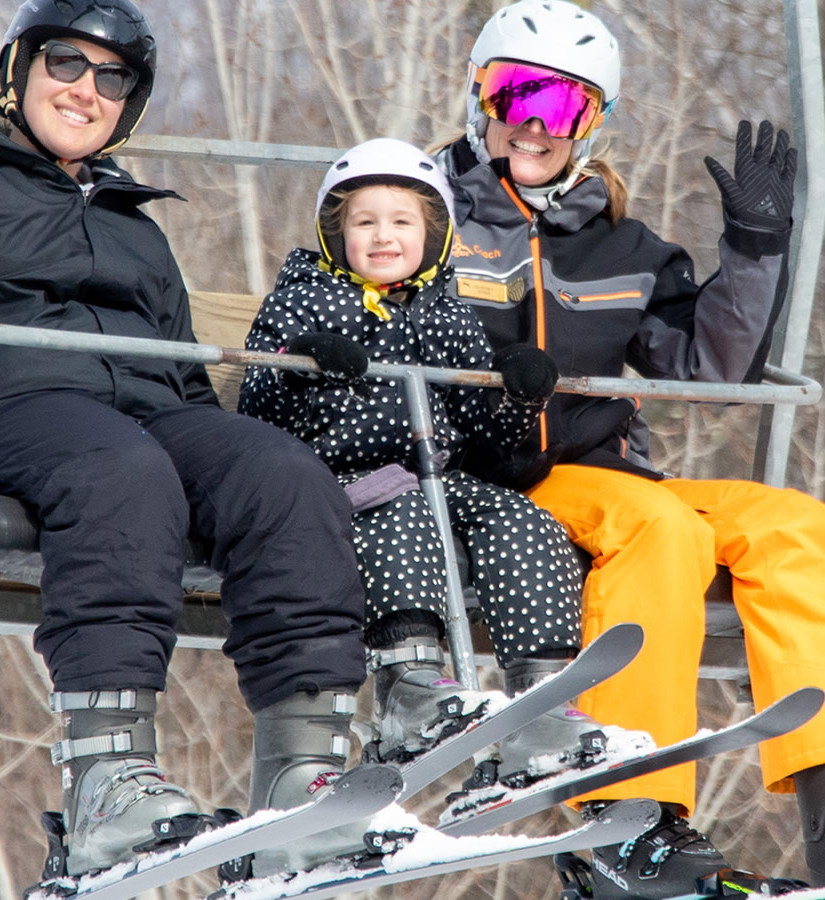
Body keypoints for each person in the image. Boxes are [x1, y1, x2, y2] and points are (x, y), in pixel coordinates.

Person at [433, 1, 825, 892]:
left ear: (593, 123)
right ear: (477, 97)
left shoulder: (626, 249)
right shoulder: (423, 215)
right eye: (512, 92)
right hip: (486, 480)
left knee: (802, 525)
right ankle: (629, 820)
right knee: (659, 530)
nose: (530, 123)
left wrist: (753, 246)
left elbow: (709, 360)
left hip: (600, 475)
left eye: (560, 107)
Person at [0, 0, 368, 879]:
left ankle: (304, 766)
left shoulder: (134, 222)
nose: (85, 90)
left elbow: (174, 374)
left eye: (112, 77)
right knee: (122, 468)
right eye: (64, 63)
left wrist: (228, 456)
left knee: (282, 475)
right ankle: (106, 775)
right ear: (18, 71)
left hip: (127, 420)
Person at [238, 138, 645, 797]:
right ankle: (408, 687)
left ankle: (537, 700)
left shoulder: (446, 310)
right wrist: (303, 366)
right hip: (337, 480)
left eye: (402, 223)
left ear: (433, 234)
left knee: (519, 517)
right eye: (363, 222)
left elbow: (492, 437)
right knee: (397, 503)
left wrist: (519, 394)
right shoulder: (304, 300)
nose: (383, 237)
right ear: (334, 232)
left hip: (438, 477)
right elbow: (258, 413)